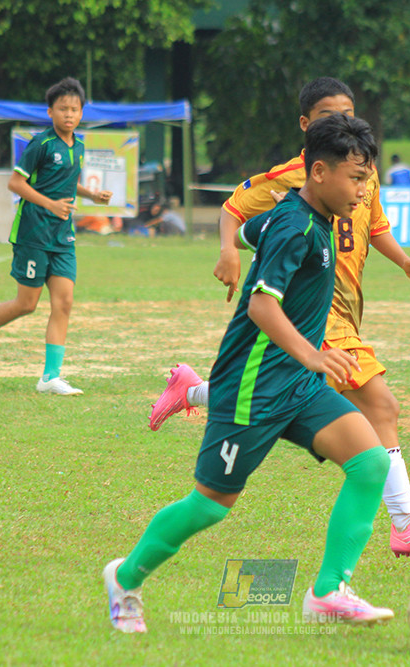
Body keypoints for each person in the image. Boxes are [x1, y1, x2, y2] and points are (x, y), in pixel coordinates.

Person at [152, 77, 410, 557]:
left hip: (337, 307)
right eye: (327, 116)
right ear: (307, 127)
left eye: (348, 113)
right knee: (379, 405)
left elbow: (375, 225)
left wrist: (405, 262)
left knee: (280, 391)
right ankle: (405, 524)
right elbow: (238, 213)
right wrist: (229, 250)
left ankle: (195, 390)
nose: (341, 123)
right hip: (315, 314)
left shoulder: (361, 168)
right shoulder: (296, 179)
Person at [105, 113, 394, 634]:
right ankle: (124, 578)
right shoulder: (295, 225)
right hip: (253, 389)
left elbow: (247, 229)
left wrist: (234, 250)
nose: (362, 192)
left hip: (298, 387)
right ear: (321, 171)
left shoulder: (304, 215)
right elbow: (262, 307)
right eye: (356, 180)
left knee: (371, 463)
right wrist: (313, 355)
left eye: (367, 180)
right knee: (211, 507)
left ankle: (328, 591)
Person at [0, 77, 112, 396]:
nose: (69, 114)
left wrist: (91, 195)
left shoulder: (78, 146)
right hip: (34, 232)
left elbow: (67, 181)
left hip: (62, 236)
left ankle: (50, 377)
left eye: (74, 109)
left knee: (64, 301)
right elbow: (16, 183)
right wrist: (50, 204)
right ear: (50, 111)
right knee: (27, 303)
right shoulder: (41, 144)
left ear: (82, 112)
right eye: (62, 109)